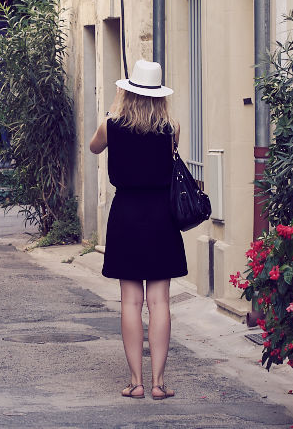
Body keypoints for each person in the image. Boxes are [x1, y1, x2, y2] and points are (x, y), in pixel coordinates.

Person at [89, 59, 187, 401]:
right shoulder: (171, 128)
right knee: (160, 301)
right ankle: (159, 383)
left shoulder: (111, 124)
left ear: (127, 92)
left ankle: (137, 382)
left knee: (130, 302)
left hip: (126, 215)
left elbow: (93, 147)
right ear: (159, 95)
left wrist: (116, 106)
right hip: (162, 216)